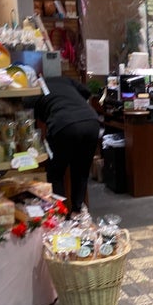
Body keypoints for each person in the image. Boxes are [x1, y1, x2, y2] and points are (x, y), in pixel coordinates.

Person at [24, 76, 100, 215]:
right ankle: (77, 213)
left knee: (56, 172)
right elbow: (86, 91)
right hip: (91, 121)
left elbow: (27, 111)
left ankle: (61, 214)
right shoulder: (64, 79)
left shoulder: (35, 88)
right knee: (81, 171)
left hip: (63, 124)